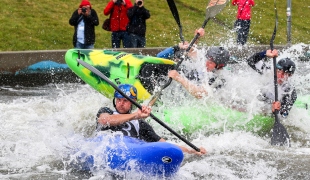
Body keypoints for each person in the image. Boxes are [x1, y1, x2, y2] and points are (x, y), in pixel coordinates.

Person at [96, 84, 207, 155]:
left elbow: (164, 144)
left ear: (133, 102)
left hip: (128, 152)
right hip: (107, 148)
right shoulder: (106, 111)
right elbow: (105, 120)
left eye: (125, 101)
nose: (121, 103)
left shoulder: (140, 124)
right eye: (119, 100)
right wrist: (135, 115)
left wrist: (192, 151)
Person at [246, 49, 297, 118]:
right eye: (278, 71)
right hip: (260, 100)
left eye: (284, 74)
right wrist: (264, 53)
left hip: (269, 110)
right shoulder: (269, 71)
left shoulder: (290, 92)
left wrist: (276, 111)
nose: (279, 76)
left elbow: (284, 115)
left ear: (290, 75)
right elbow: (250, 61)